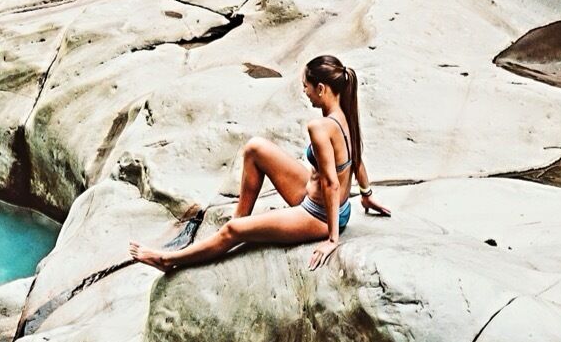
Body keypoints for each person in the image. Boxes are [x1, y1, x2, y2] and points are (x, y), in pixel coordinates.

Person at [129, 55, 389, 273]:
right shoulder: (344, 116)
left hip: (319, 215)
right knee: (255, 148)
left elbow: (332, 183)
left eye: (306, 86)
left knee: (233, 231)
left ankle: (167, 260)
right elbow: (357, 161)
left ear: (321, 89)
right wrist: (366, 196)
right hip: (319, 199)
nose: (304, 92)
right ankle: (240, 221)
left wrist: (332, 239)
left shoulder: (320, 127)